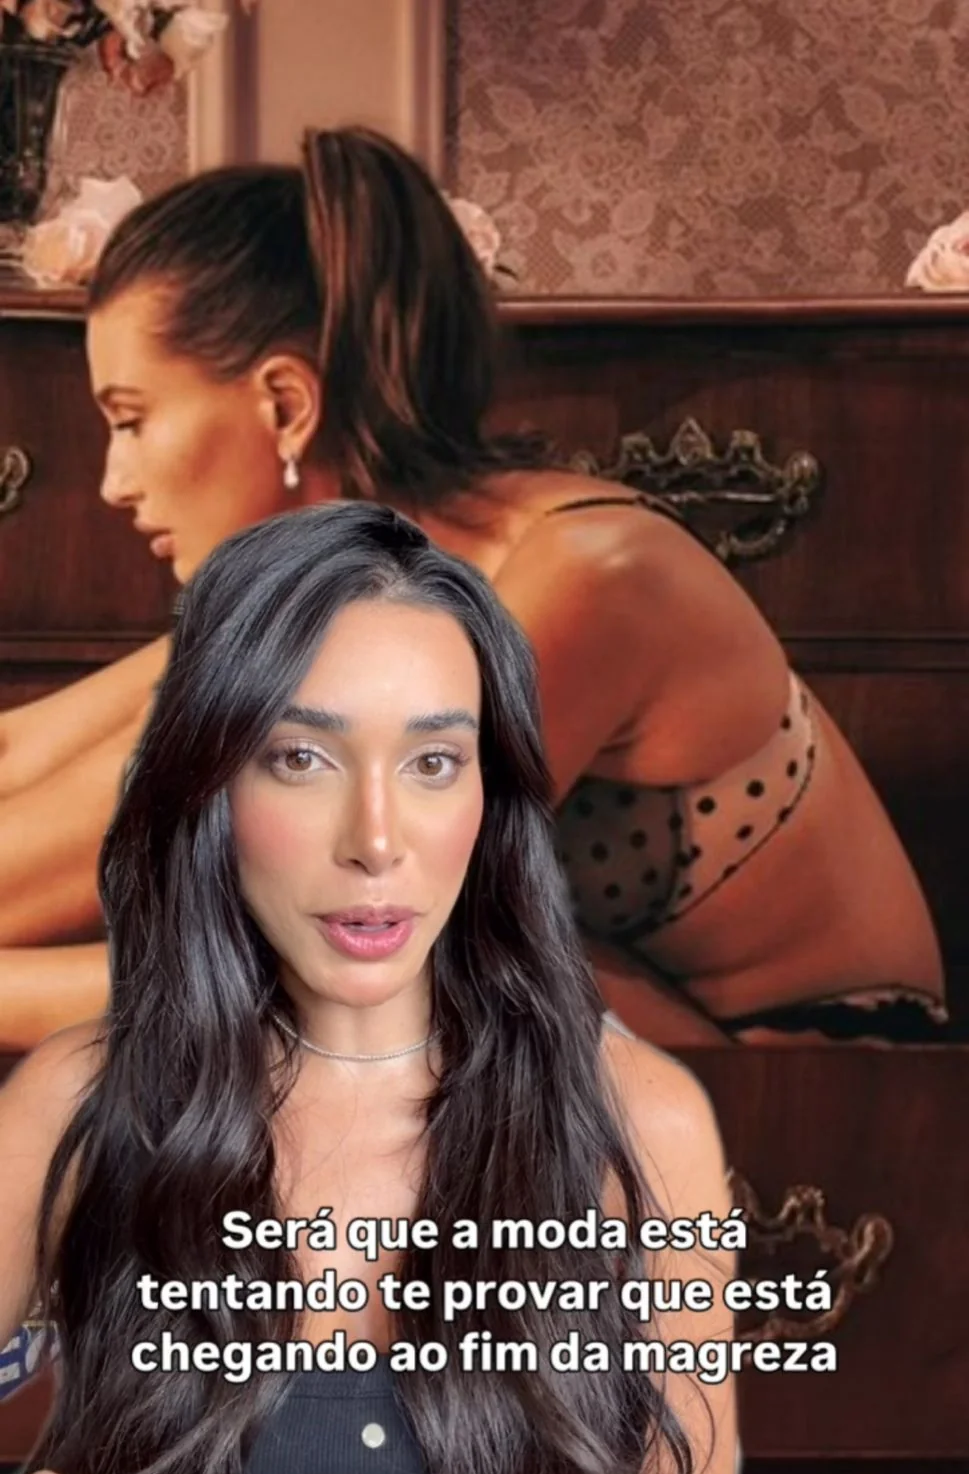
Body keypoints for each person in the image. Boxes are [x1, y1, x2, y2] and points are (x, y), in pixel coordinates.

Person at [0, 125, 946, 1054]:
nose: (114, 483)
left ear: (286, 404)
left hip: (820, 1086)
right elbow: (35, 756)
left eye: (131, 420)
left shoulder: (586, 578)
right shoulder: (343, 584)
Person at [0, 503, 737, 1474]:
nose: (376, 840)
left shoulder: (640, 1118)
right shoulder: (78, 1100)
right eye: (300, 757)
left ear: (489, 797)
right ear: (211, 785)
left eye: (435, 760)